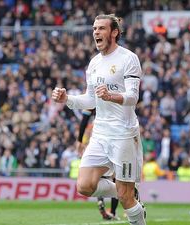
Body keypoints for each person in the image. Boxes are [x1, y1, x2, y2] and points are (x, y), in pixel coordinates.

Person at [52, 14, 146, 225]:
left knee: (126, 198)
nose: (96, 32)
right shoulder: (94, 63)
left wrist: (110, 96)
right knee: (84, 186)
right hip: (100, 134)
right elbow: (90, 100)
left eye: (101, 28)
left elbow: (133, 97)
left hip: (123, 134)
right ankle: (127, 192)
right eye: (94, 29)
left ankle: (130, 198)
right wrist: (67, 99)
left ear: (114, 32)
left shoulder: (128, 58)